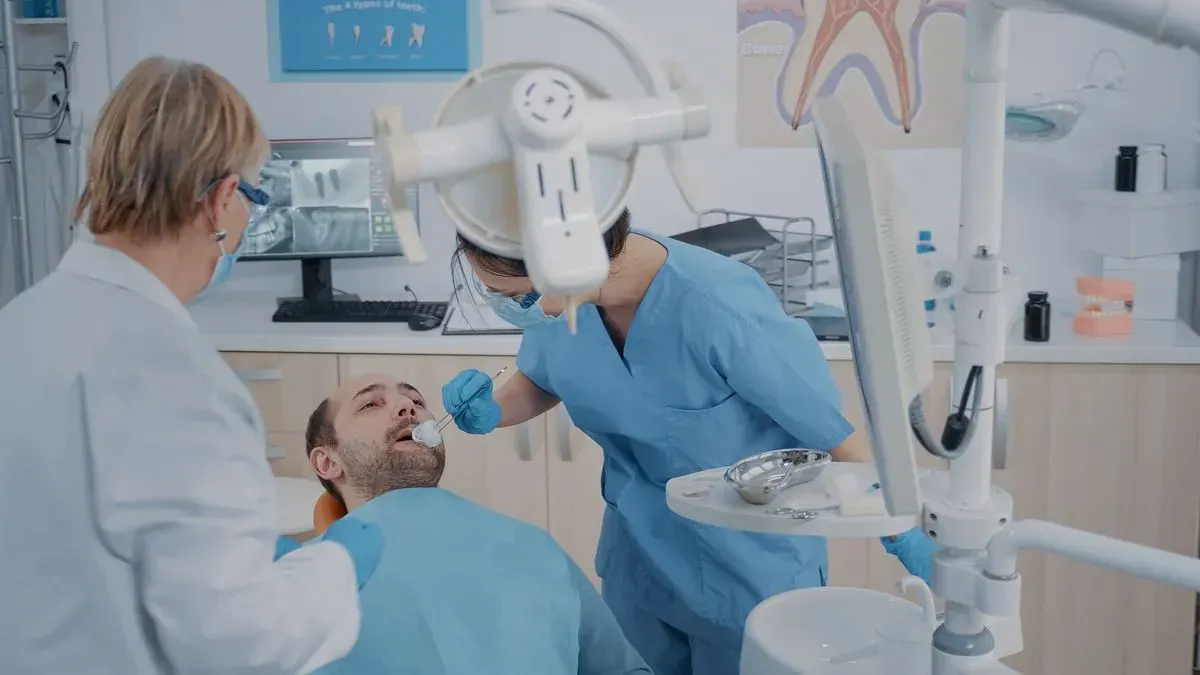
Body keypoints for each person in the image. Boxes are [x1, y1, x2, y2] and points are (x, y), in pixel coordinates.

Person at [0, 57, 383, 674]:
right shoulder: (178, 380)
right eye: (251, 199)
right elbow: (237, 644)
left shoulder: (19, 325)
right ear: (223, 199)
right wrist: (334, 566)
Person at [444, 211, 939, 675]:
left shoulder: (720, 306)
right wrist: (493, 410)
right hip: (638, 554)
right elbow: (545, 378)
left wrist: (900, 525)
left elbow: (831, 434)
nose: (508, 308)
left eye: (515, 295)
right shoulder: (567, 310)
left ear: (568, 269)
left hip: (746, 565)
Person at [303, 372, 651, 675]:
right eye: (370, 405)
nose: (408, 408)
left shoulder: (533, 546)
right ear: (326, 461)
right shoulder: (301, 583)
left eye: (415, 400)